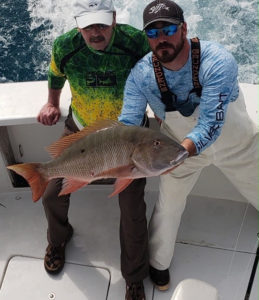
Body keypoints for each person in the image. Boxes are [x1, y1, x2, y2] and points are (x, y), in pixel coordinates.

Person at [119, 0, 258, 292]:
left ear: (184, 28)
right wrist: (108, 158)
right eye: (153, 34)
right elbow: (128, 127)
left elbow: (211, 124)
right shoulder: (140, 75)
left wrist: (174, 155)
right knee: (167, 206)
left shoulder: (217, 60)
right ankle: (158, 263)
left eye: (168, 29)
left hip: (238, 146)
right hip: (177, 152)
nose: (162, 39)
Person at [37, 0, 150, 299]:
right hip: (81, 131)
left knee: (132, 208)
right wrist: (52, 102)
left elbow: (154, 76)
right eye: (88, 26)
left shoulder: (135, 42)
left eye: (101, 24)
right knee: (51, 196)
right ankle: (58, 239)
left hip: (128, 137)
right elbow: (55, 74)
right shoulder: (65, 46)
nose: (95, 32)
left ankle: (135, 276)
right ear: (78, 24)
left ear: (114, 19)